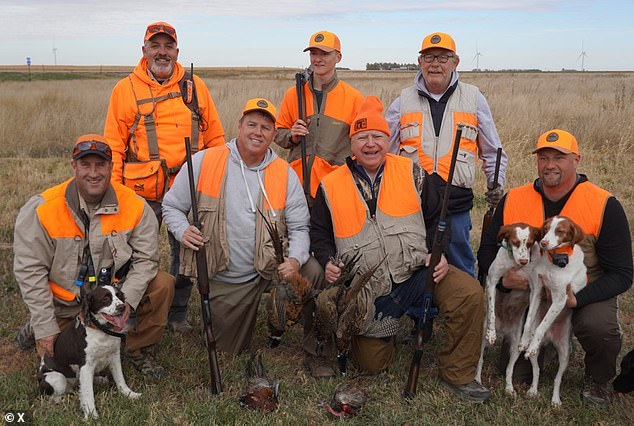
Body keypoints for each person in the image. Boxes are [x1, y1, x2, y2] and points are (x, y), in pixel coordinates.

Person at [310, 96, 491, 403]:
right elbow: (319, 233)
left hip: (419, 273)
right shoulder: (329, 185)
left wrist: (439, 252)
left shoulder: (413, 172)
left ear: (387, 139)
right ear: (351, 144)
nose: (371, 144)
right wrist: (327, 260)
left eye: (378, 137)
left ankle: (458, 373)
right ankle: (380, 331)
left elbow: (438, 219)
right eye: (362, 137)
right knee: (371, 364)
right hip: (370, 290)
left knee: (469, 295)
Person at [162, 98, 326, 369]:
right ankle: (243, 315)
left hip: (272, 266)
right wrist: (182, 230)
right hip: (229, 276)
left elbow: (299, 227)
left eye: (265, 127)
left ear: (275, 134)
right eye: (252, 124)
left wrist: (295, 260)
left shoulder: (284, 174)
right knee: (227, 352)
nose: (257, 132)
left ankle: (315, 346)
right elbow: (171, 206)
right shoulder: (205, 160)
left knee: (313, 271)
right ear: (239, 126)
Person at [477, 129, 633, 406]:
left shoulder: (603, 204)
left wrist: (577, 298)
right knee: (513, 371)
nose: (550, 165)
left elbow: (622, 274)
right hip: (532, 294)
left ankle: (597, 379)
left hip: (582, 291)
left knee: (599, 328)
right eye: (543, 157)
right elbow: (487, 250)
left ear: (577, 160)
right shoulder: (514, 198)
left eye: (559, 158)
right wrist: (504, 282)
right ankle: (550, 345)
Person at [14, 134, 175, 377]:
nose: (93, 173)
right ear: (73, 167)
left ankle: (138, 349)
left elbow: (146, 261)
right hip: (65, 305)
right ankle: (42, 324)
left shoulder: (135, 206)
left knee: (163, 283)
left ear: (111, 167)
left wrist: (127, 300)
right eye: (85, 165)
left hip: (110, 298)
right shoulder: (43, 209)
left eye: (100, 165)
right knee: (60, 360)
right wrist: (46, 327)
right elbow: (30, 271)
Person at [104, 21, 225, 334]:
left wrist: (215, 184)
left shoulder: (195, 87)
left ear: (177, 51)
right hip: (140, 190)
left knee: (186, 251)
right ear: (144, 51)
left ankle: (177, 313)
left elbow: (215, 140)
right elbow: (114, 147)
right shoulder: (125, 89)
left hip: (187, 188)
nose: (162, 52)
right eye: (155, 46)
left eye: (168, 46)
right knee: (130, 253)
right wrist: (115, 192)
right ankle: (127, 312)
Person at [386, 31, 507, 278]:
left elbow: (493, 149)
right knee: (414, 263)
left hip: (456, 202)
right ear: (420, 62)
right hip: (413, 202)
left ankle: (466, 311)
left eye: (443, 57)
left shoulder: (474, 98)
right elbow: (385, 148)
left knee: (460, 262)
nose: (435, 64)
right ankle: (421, 314)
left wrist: (496, 183)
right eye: (429, 57)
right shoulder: (402, 100)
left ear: (455, 62)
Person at [275, 30, 364, 205]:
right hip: (295, 188)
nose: (317, 59)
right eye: (313, 53)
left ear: (338, 57)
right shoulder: (294, 94)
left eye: (324, 54)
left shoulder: (354, 98)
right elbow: (278, 134)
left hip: (334, 190)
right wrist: (291, 135)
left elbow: (361, 146)